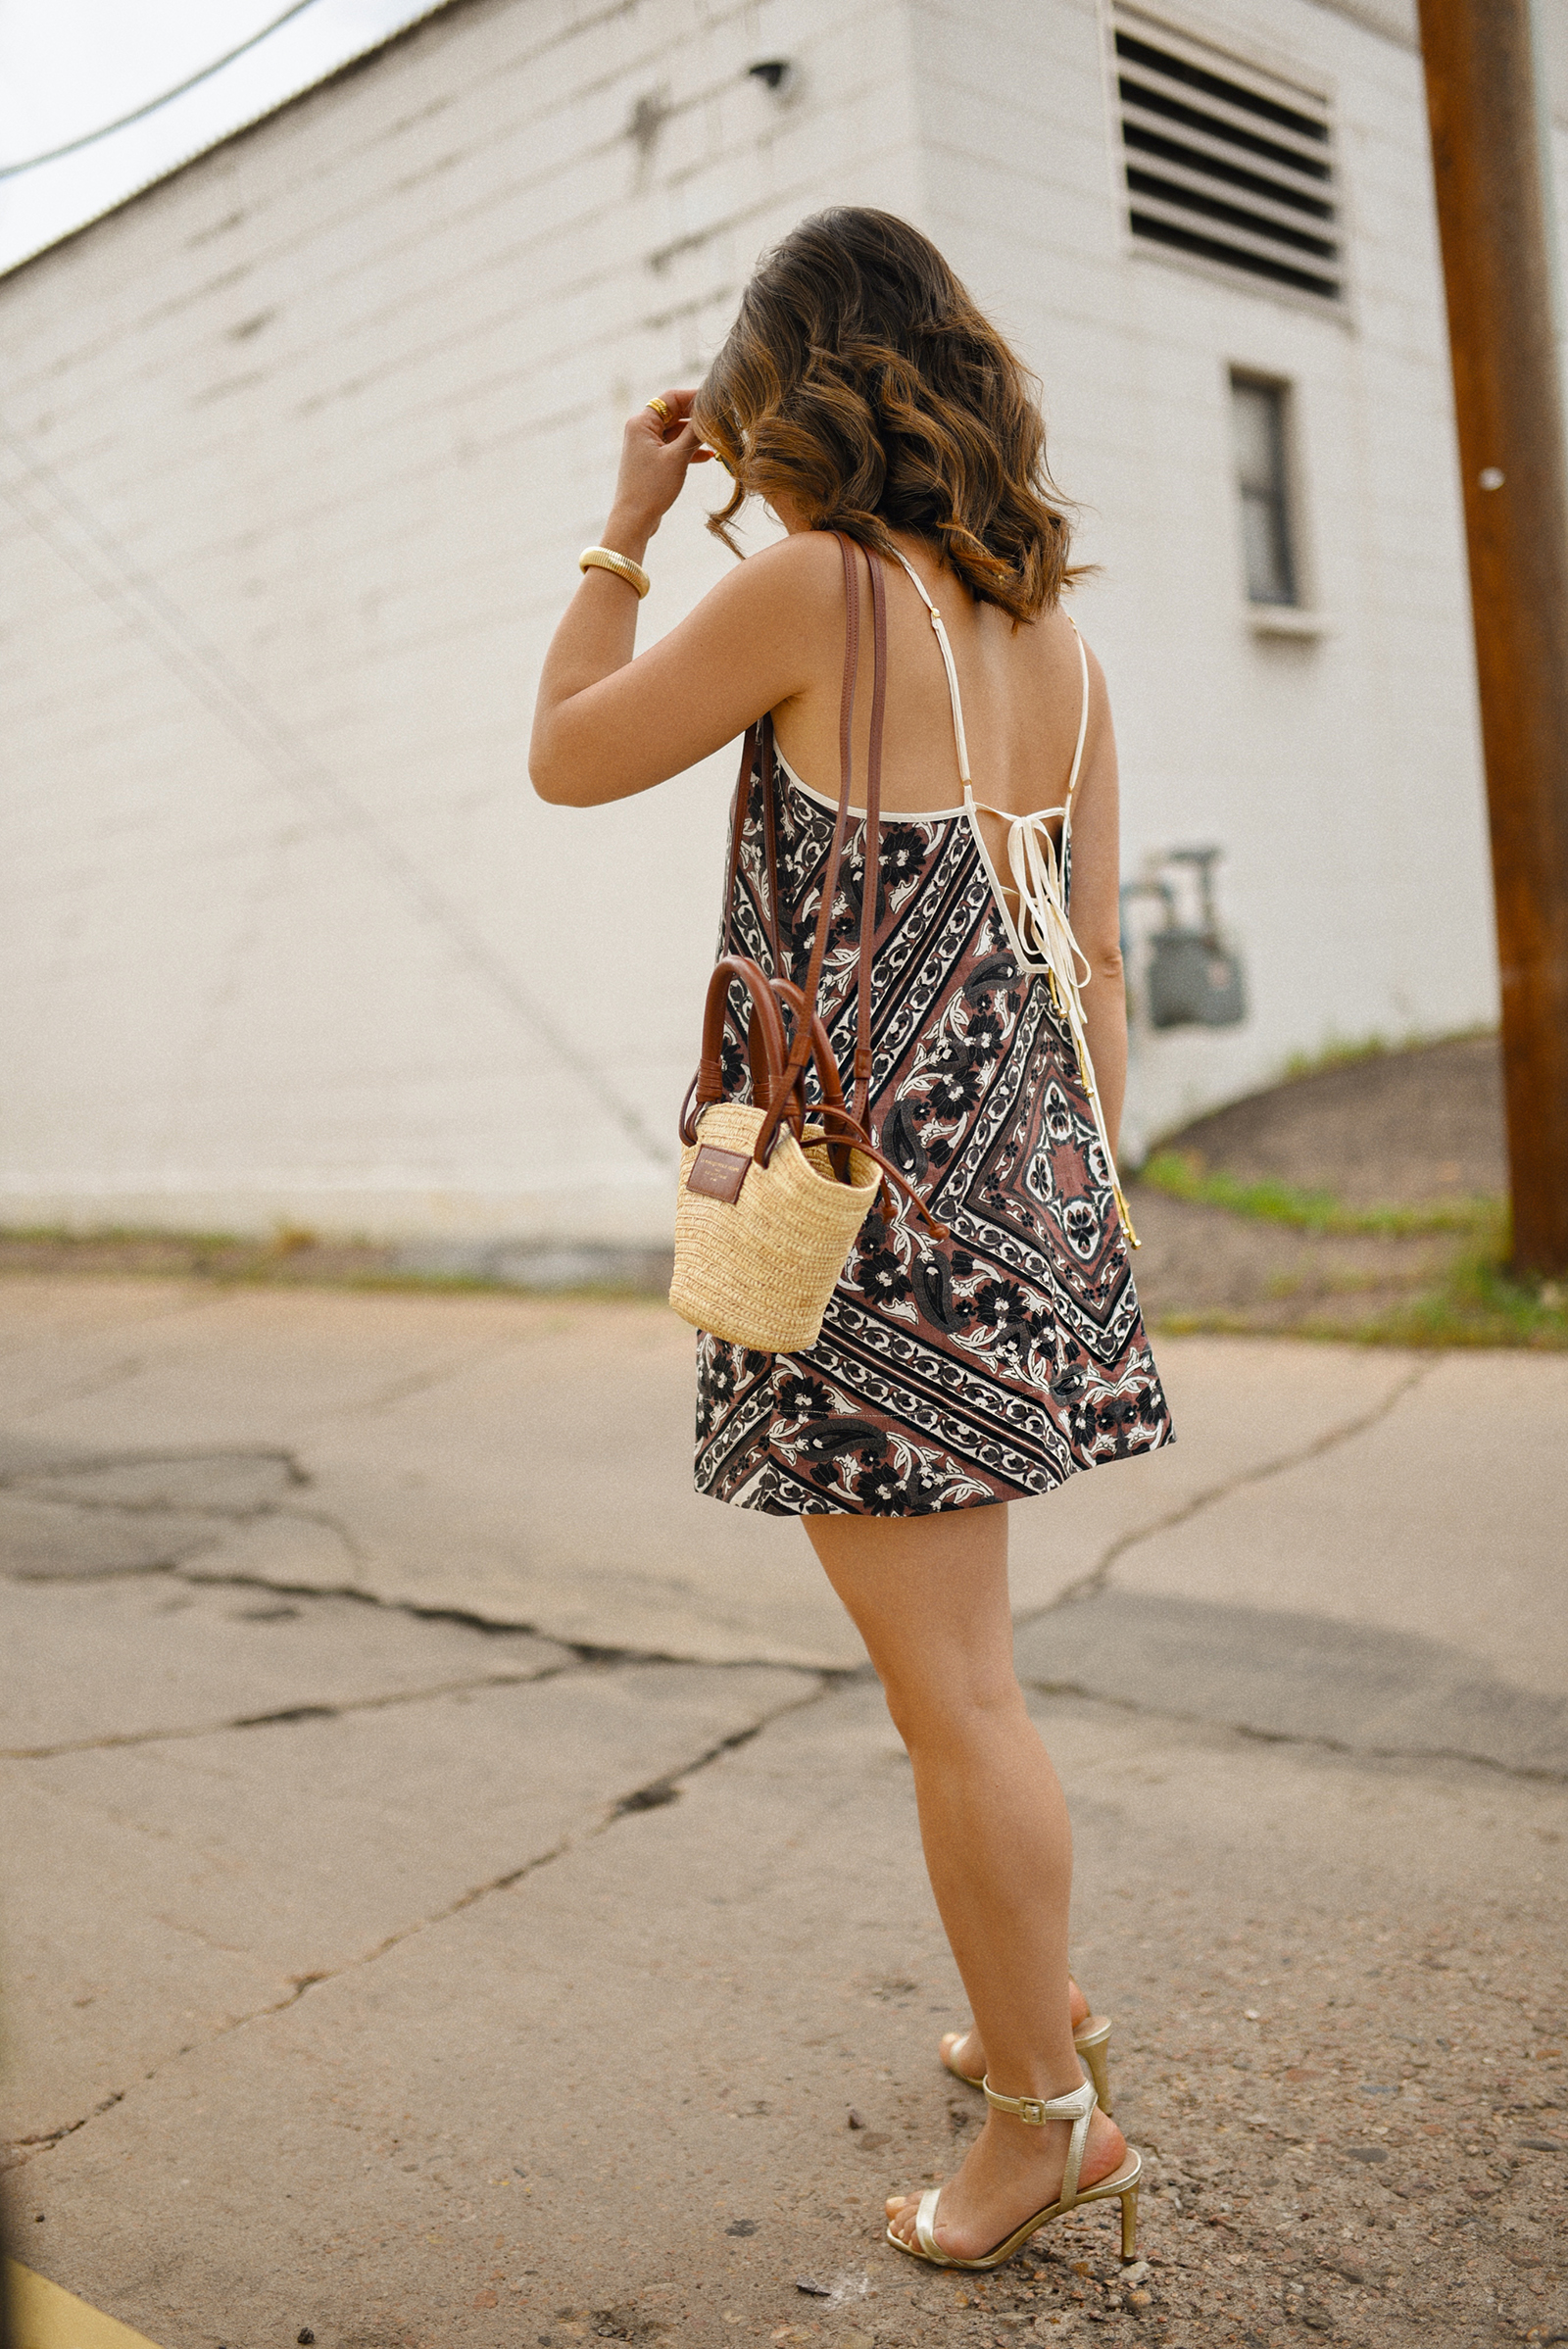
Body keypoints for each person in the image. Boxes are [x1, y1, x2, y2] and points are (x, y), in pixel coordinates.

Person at [531, 208, 1170, 2274]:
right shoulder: (1052, 637)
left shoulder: (812, 588)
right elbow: (1092, 965)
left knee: (955, 1700)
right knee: (970, 1679)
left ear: (785, 397)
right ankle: (1030, 1996)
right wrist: (1064, 1210)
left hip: (865, 1220)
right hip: (1028, 1203)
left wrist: (625, 528)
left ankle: (1036, 2123)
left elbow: (566, 755)